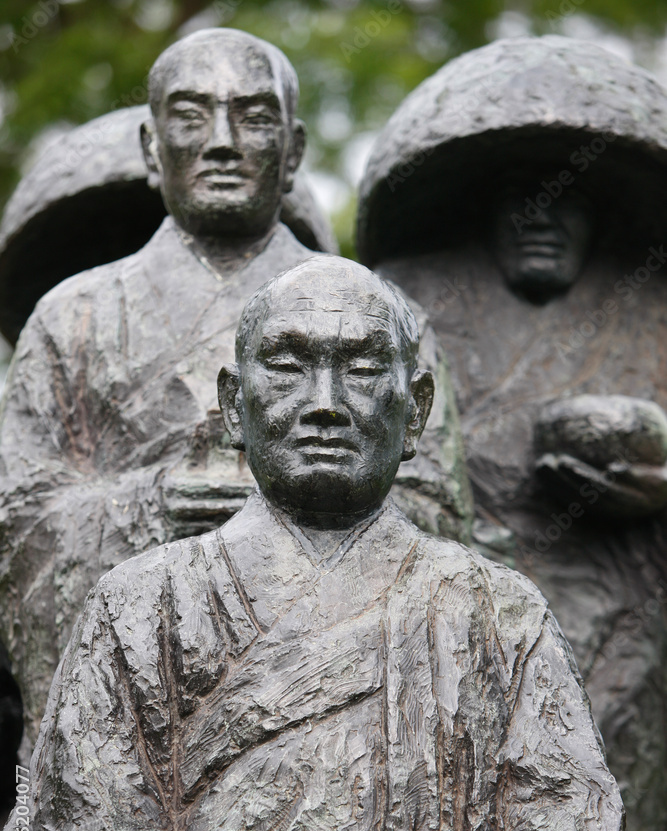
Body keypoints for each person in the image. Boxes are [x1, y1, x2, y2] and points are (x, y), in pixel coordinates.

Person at [1, 257, 662, 831]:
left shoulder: (497, 611)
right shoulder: (137, 603)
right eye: (286, 366)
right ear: (231, 405)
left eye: (361, 368)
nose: (324, 403)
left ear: (415, 410)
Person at [0, 28, 470, 757]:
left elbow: (446, 512)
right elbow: (18, 520)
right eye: (190, 116)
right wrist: (146, 506)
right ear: (151, 145)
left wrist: (313, 503)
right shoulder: (74, 316)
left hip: (338, 701)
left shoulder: (383, 314)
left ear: (295, 149)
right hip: (134, 694)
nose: (221, 142)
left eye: (253, 117)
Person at [357, 33, 667, 831]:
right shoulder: (407, 302)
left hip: (634, 613)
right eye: (515, 202)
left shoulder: (649, 311)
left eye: (564, 202)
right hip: (454, 617)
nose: (539, 218)